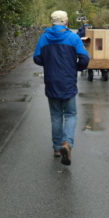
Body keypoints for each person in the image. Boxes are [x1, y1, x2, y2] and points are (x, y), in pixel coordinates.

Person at [33, 10, 90, 165]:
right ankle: (67, 143)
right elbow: (85, 58)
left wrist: (50, 63)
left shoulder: (44, 37)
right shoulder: (73, 37)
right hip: (68, 81)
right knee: (71, 114)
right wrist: (75, 67)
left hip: (51, 81)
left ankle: (57, 148)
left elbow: (37, 58)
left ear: (52, 22)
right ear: (66, 21)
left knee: (56, 116)